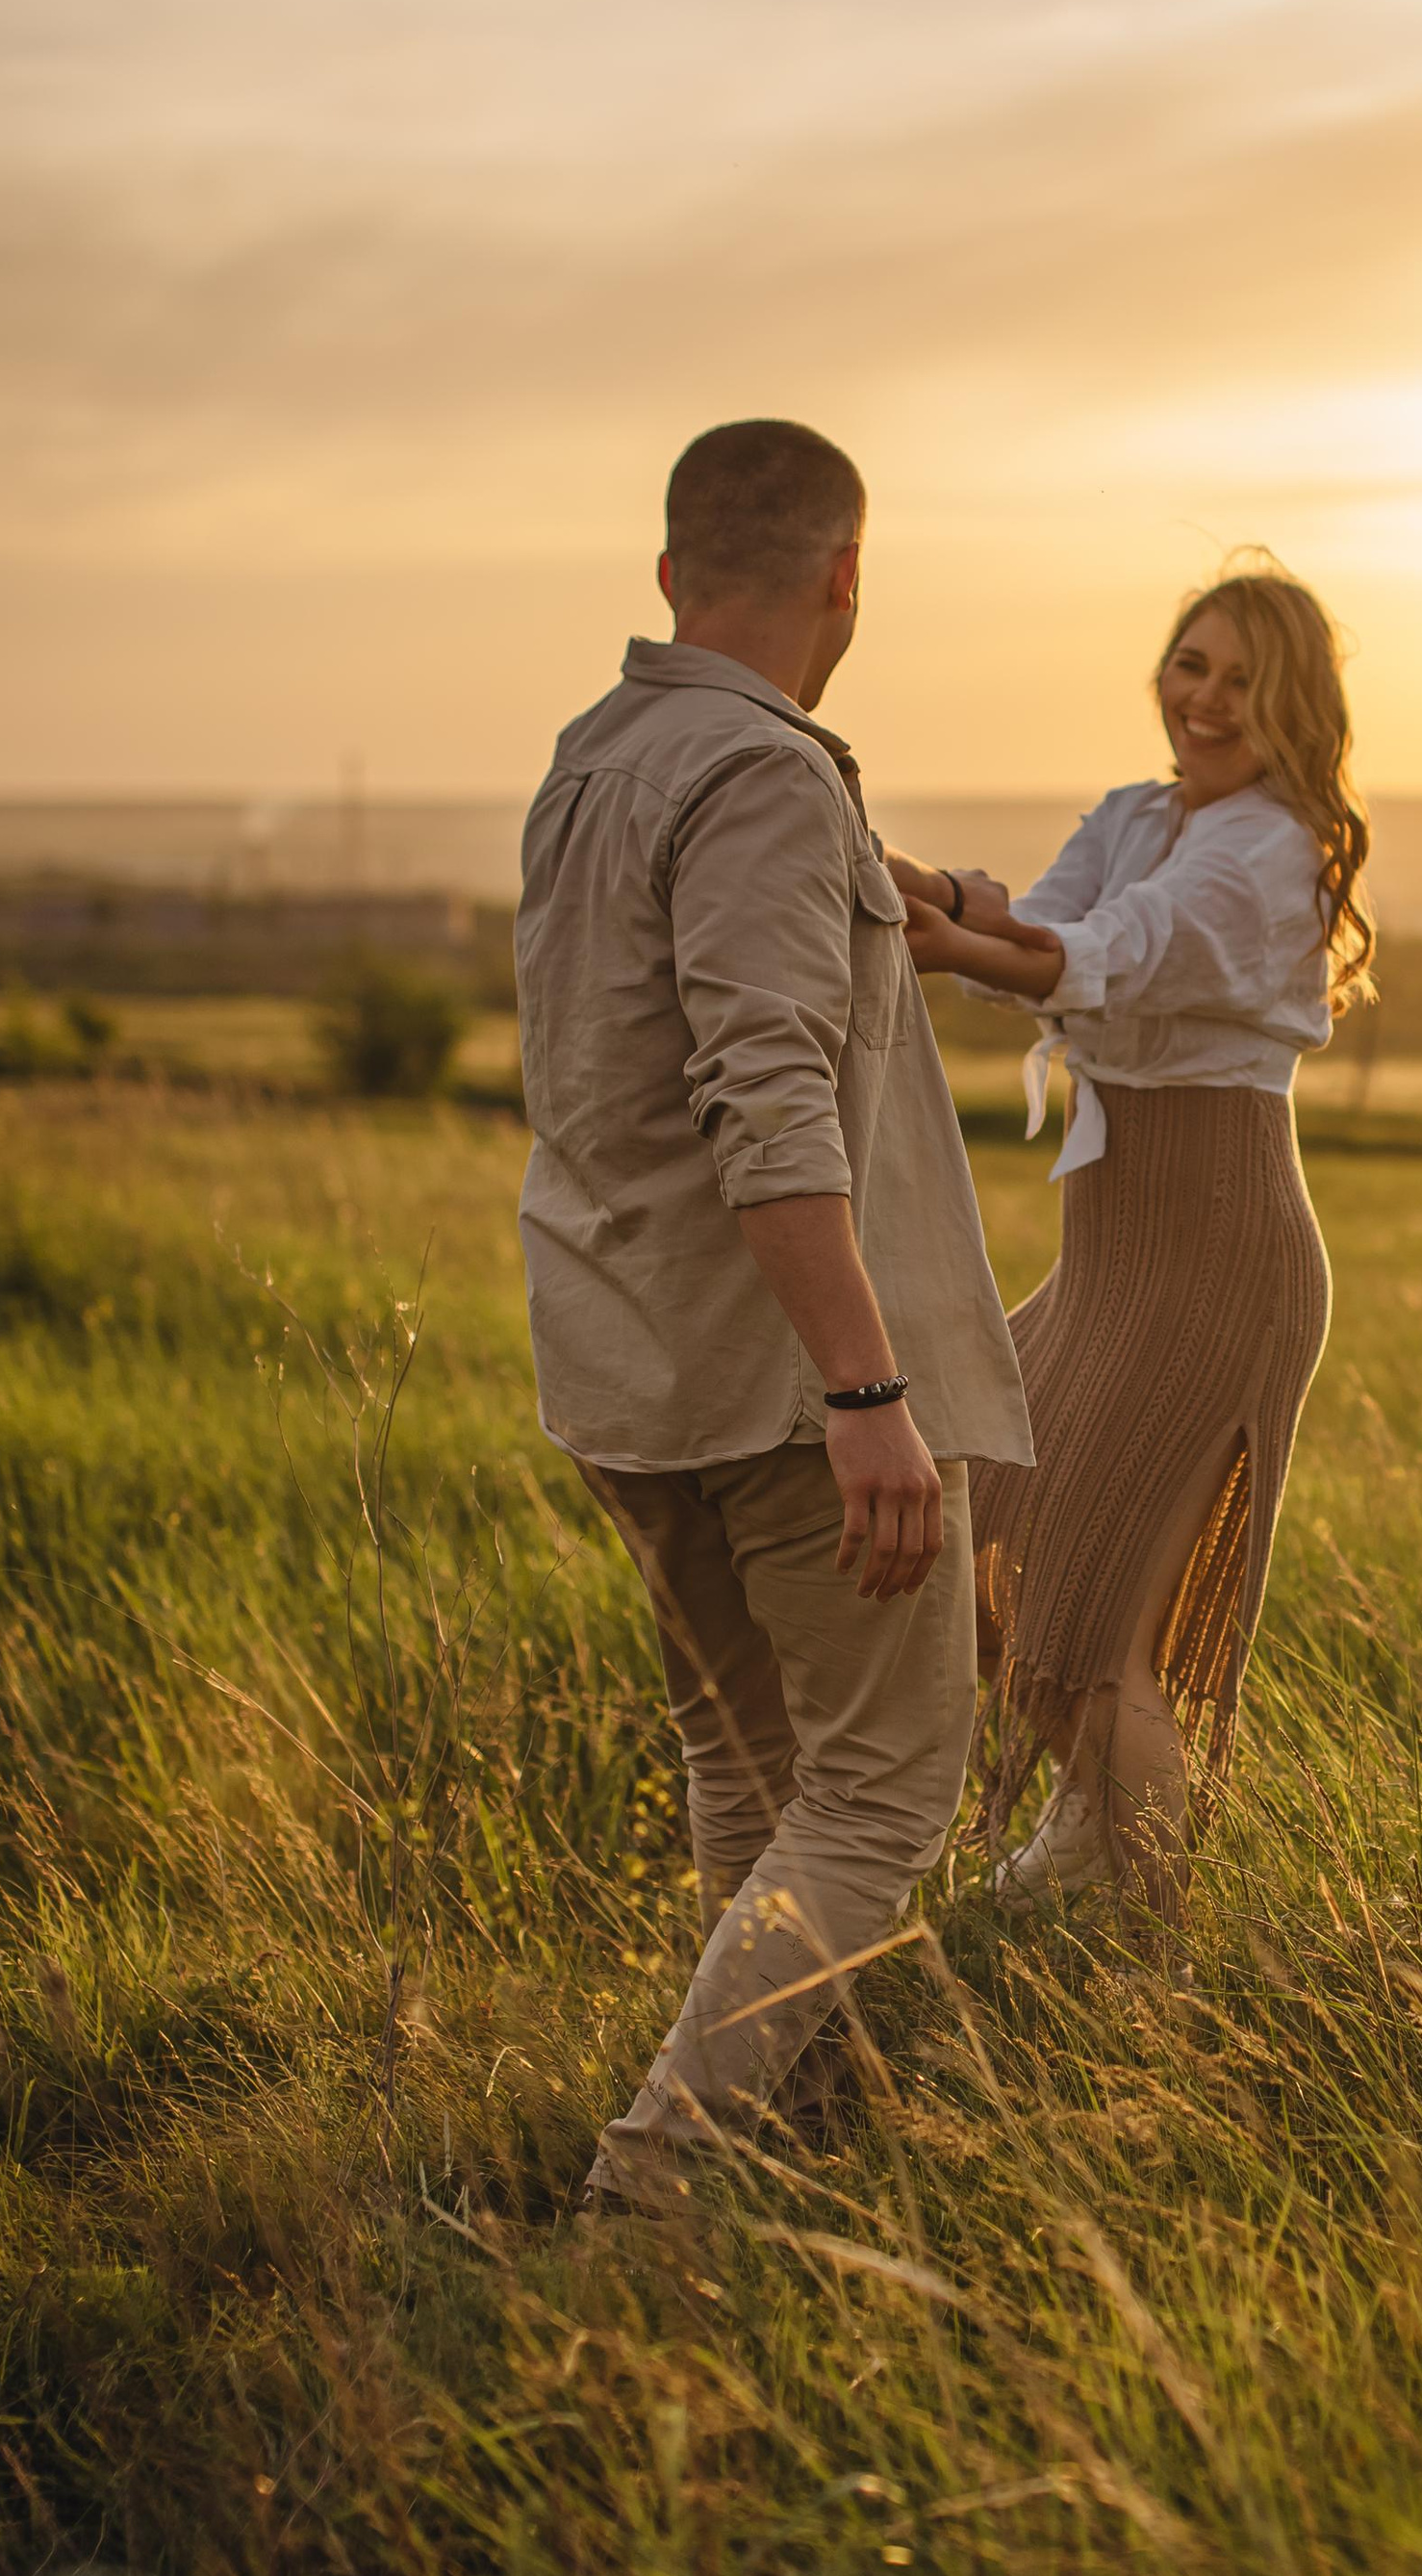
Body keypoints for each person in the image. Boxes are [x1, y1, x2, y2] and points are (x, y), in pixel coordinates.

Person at [513, 418, 1033, 2211]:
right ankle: (656, 2193)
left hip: (619, 1354)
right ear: (849, 577)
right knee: (884, 1792)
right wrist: (868, 1386)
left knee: (752, 1779)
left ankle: (789, 2146)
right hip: (776, 1379)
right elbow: (765, 1098)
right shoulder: (763, 778)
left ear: (669, 575)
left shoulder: (594, 762)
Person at [901, 552, 1375, 1915]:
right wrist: (906, 883)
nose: (1207, 701)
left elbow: (1103, 955)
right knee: (970, 1517)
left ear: (1292, 706)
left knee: (1100, 1631)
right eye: (1191, 665)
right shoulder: (1134, 813)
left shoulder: (1270, 848)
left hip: (1220, 1264)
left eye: (1242, 680)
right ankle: (1092, 1839)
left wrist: (931, 938)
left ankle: (1157, 1973)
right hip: (1112, 1262)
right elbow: (1043, 923)